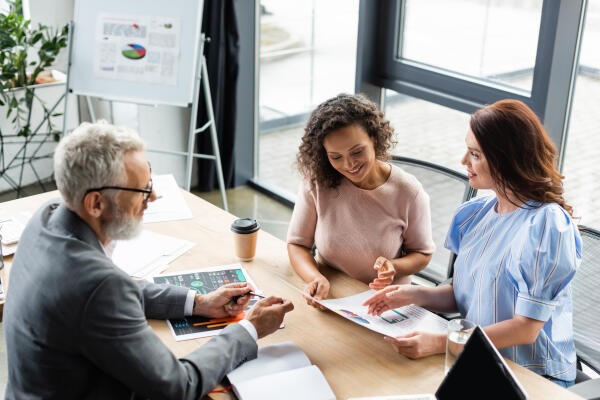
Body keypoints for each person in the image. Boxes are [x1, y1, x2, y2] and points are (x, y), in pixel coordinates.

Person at [3, 121, 294, 399]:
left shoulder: (47, 217)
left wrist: (198, 303)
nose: (153, 196)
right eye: (141, 189)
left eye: (150, 179)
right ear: (95, 203)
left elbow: (109, 294)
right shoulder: (99, 286)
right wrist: (249, 329)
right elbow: (178, 385)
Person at [364, 99, 581, 387]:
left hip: (532, 376)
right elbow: (461, 294)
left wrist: (443, 342)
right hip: (477, 358)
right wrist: (410, 296)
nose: (464, 161)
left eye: (475, 154)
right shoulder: (475, 215)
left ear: (507, 159)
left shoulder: (545, 225)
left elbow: (526, 329)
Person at [287, 94, 435, 307]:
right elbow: (298, 244)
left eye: (357, 151)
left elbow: (422, 253)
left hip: (384, 302)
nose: (349, 164)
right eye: (335, 157)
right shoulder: (317, 179)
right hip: (333, 293)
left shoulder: (408, 192)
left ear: (374, 138)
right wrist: (315, 278)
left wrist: (395, 266)